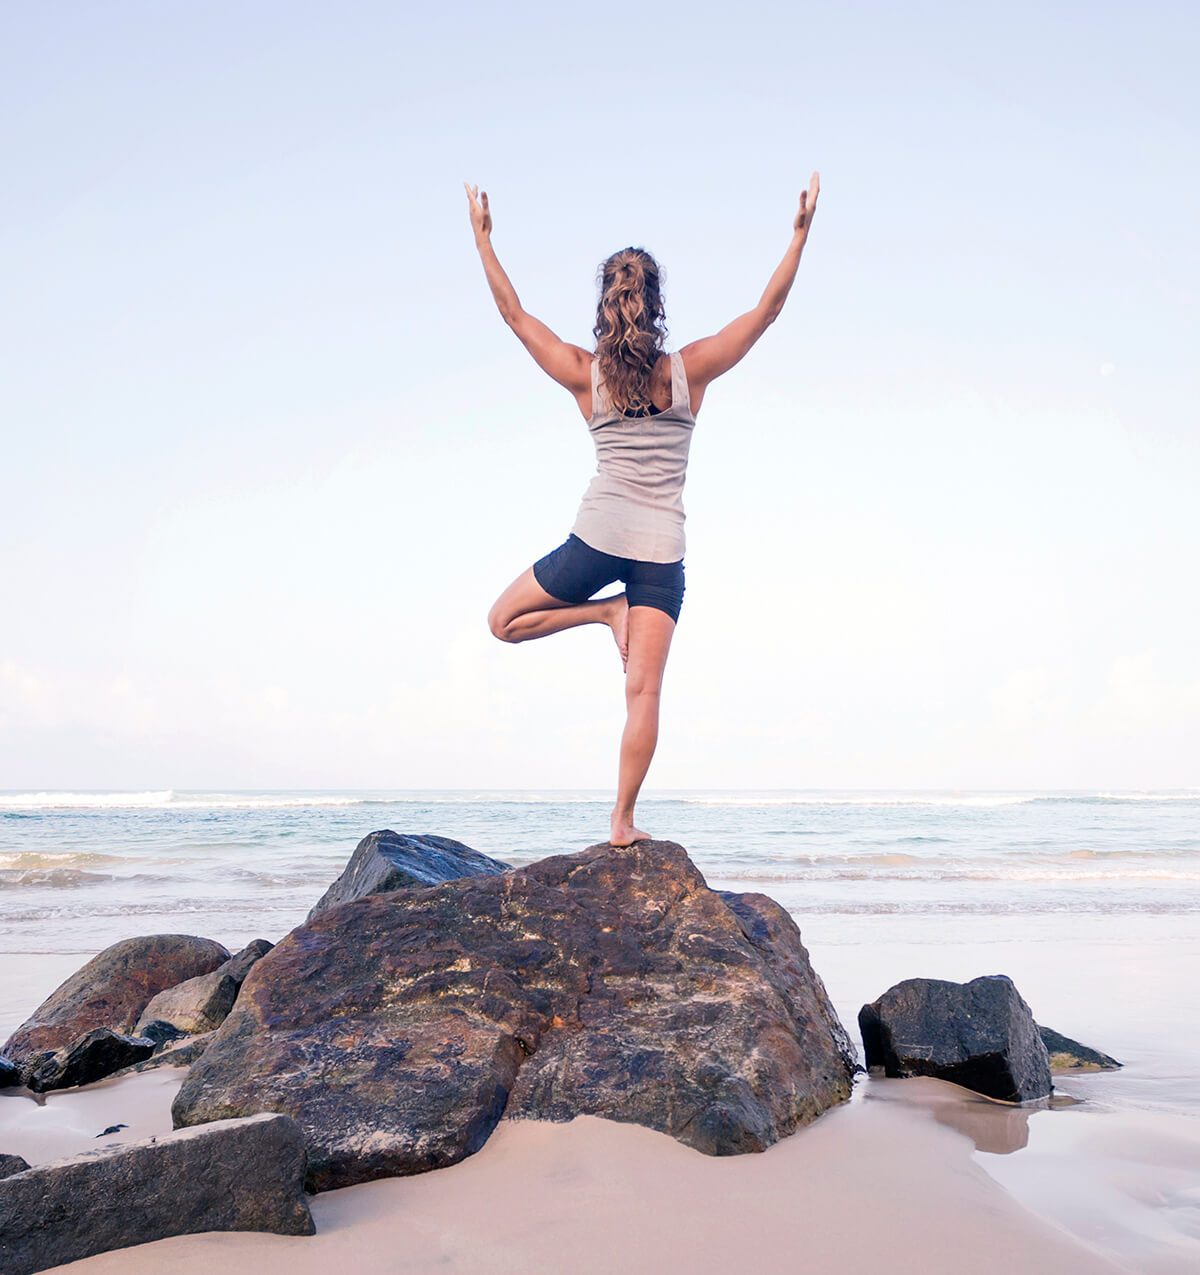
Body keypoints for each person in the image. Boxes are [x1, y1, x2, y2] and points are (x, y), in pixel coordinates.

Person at [465, 174, 820, 846]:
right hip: (661, 552)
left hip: (597, 539)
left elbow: (514, 316)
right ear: (656, 304)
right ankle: (623, 821)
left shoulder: (582, 372)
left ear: (605, 303)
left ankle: (601, 611)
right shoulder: (691, 369)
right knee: (645, 695)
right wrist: (799, 236)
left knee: (502, 622)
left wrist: (483, 242)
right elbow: (766, 311)